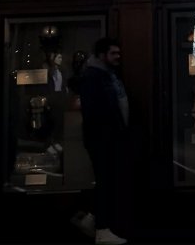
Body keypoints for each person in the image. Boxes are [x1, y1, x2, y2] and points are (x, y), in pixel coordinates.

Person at [77, 37, 130, 245]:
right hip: (102, 138)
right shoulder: (94, 77)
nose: (118, 57)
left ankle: (93, 220)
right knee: (105, 182)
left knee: (106, 181)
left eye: (118, 52)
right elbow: (96, 112)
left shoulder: (104, 75)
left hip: (106, 137)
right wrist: (110, 132)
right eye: (113, 53)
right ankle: (102, 229)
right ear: (102, 55)